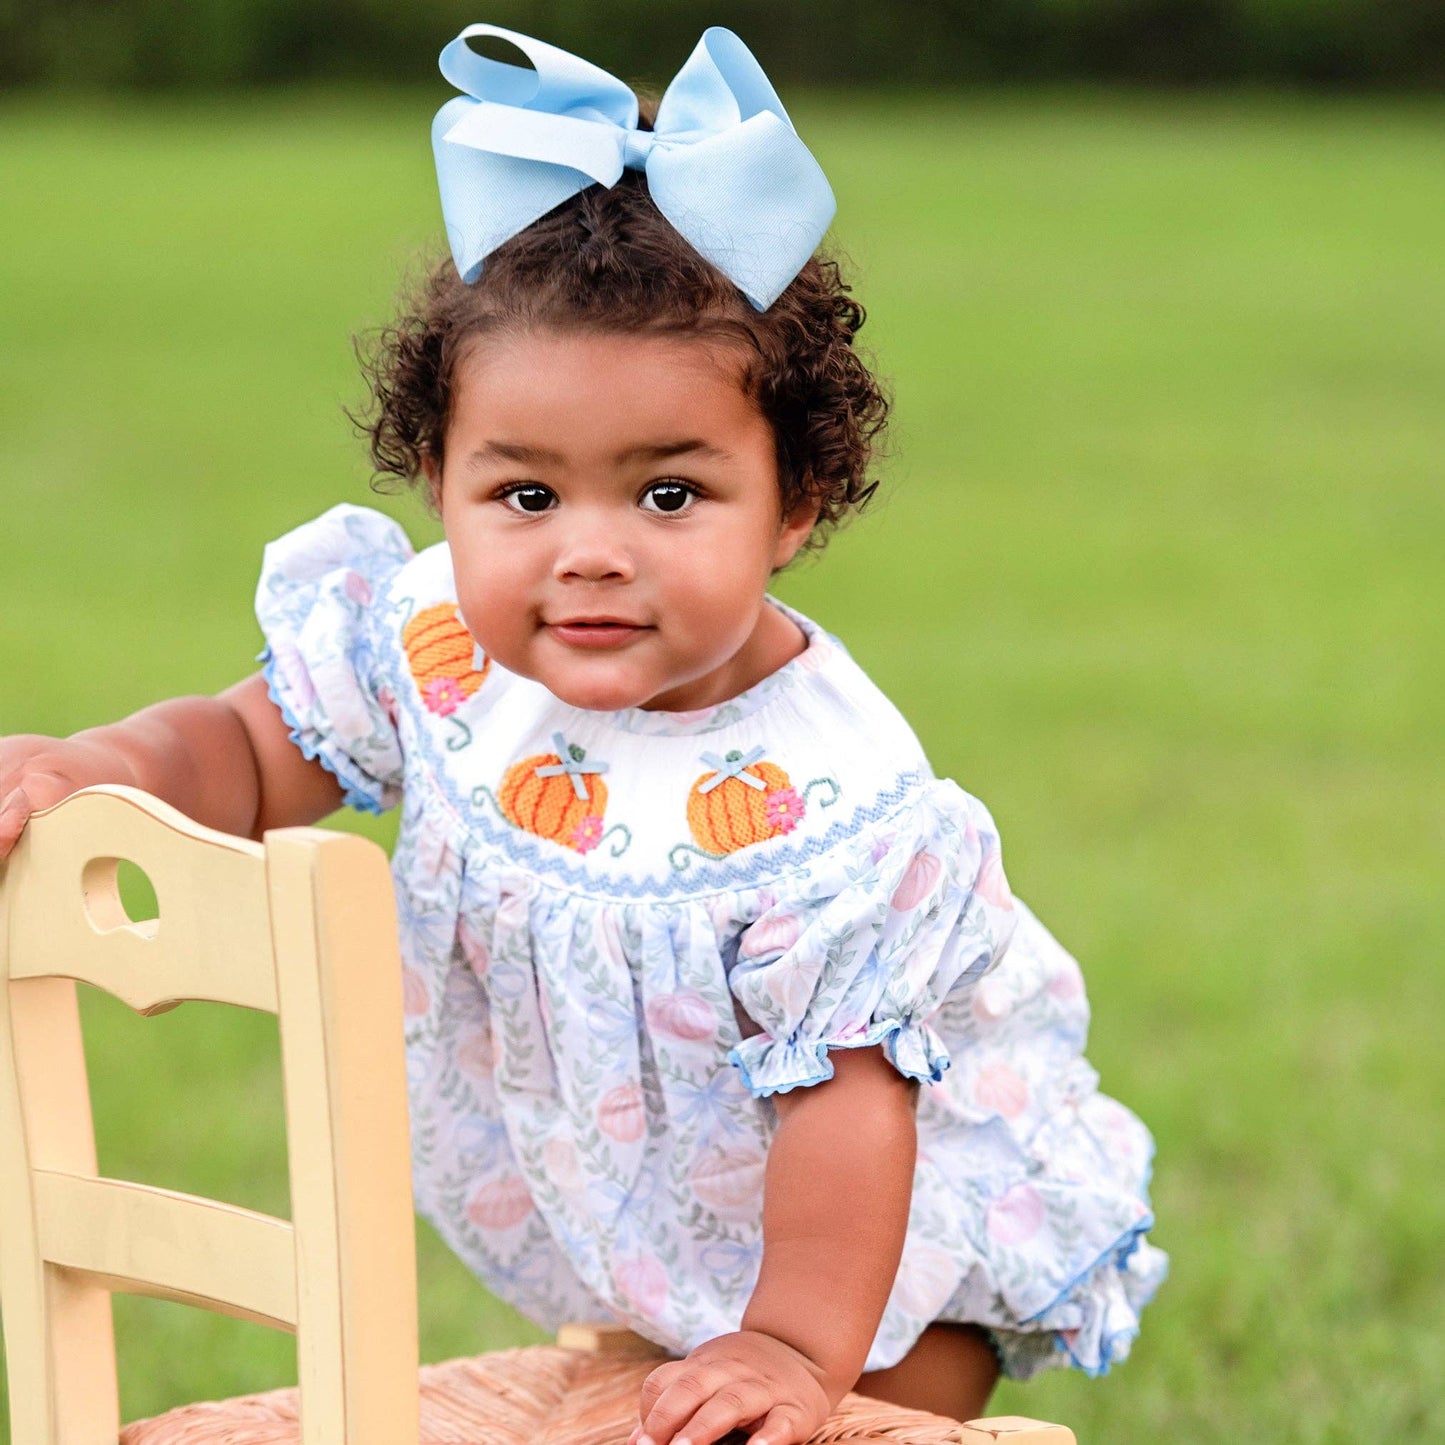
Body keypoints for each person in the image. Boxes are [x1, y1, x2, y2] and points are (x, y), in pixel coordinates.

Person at [0, 24, 1167, 1445]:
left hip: (867, 1260)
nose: (590, 554)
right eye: (526, 496)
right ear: (439, 480)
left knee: (825, 1423)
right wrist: (107, 765)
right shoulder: (436, 646)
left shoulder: (831, 803)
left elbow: (851, 1111)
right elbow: (249, 749)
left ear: (796, 501)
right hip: (647, 1230)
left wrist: (790, 1349)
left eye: (668, 495)